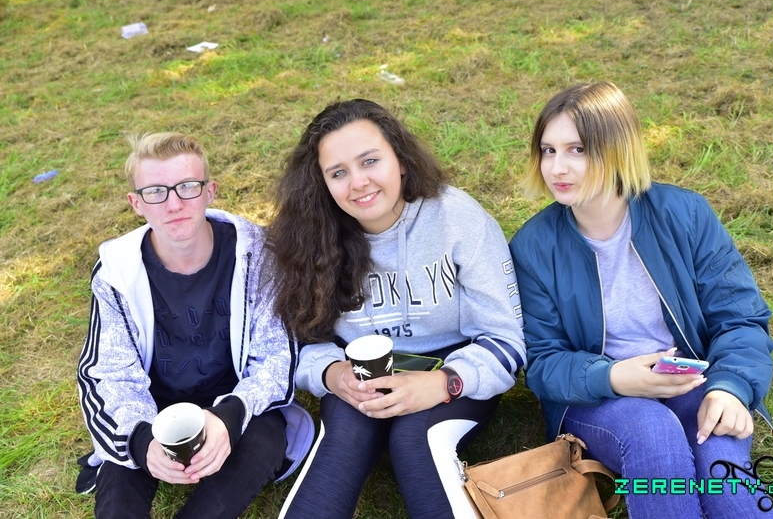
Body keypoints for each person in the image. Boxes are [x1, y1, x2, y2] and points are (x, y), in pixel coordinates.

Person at [509, 82, 773, 518]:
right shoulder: (534, 247)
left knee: (721, 467)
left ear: (617, 149)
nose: (558, 167)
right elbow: (542, 362)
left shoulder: (686, 215)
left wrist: (730, 387)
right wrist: (613, 377)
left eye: (577, 150)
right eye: (548, 150)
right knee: (653, 435)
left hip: (688, 379)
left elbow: (740, 318)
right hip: (598, 396)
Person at [267, 99, 525, 518]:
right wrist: (331, 374)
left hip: (452, 369)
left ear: (401, 161)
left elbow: (506, 339)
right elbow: (297, 341)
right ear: (322, 183)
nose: (358, 183)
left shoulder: (458, 219)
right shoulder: (309, 237)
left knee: (414, 439)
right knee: (342, 439)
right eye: (338, 172)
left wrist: (445, 383)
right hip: (360, 374)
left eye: (370, 161)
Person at [76, 132, 314, 519]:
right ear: (136, 203)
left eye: (187, 186)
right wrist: (142, 444)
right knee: (121, 475)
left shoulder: (258, 253)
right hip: (153, 407)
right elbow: (108, 374)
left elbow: (277, 358)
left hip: (237, 403)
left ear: (210, 191)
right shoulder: (116, 272)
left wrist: (228, 418)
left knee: (265, 441)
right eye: (156, 192)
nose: (174, 204)